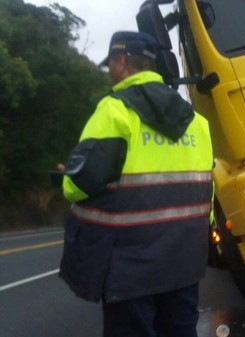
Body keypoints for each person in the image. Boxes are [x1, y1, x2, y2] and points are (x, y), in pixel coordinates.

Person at [59, 31, 213, 337]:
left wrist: (69, 174)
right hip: (184, 257)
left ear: (120, 62)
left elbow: (77, 186)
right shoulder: (197, 121)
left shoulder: (114, 111)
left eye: (110, 65)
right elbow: (205, 189)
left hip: (130, 267)